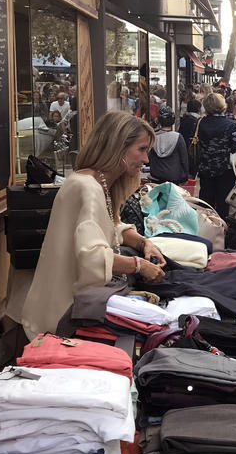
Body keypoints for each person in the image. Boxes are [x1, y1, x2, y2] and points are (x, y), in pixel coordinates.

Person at [19, 111, 166, 339]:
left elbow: (109, 226)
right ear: (118, 146)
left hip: (70, 308)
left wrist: (143, 242)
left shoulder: (93, 182)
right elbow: (92, 258)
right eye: (142, 149)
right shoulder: (88, 188)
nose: (146, 159)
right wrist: (139, 265)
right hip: (65, 317)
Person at [197, 93, 236, 219]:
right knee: (223, 205)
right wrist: (231, 152)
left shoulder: (200, 123)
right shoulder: (230, 124)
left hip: (206, 168)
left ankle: (206, 228)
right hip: (225, 170)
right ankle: (221, 232)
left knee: (205, 203)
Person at [148, 107, 189, 185]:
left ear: (158, 120)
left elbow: (149, 157)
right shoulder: (178, 137)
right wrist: (184, 177)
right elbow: (184, 159)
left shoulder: (153, 138)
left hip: (156, 177)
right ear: (173, 121)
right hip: (174, 177)